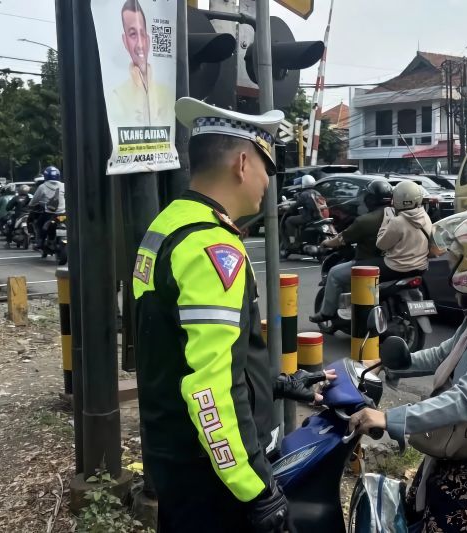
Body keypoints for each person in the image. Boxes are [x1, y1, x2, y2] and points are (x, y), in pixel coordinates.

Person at [132, 96, 333, 532]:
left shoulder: (168, 224)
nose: (268, 181)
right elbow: (209, 387)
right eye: (269, 167)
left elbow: (180, 353)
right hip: (212, 480)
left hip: (177, 460)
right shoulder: (212, 248)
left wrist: (275, 385)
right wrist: (257, 490)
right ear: (243, 163)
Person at [349, 211, 467, 532]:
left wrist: (389, 418)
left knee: (435, 518)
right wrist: (396, 363)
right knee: (414, 505)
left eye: (459, 260)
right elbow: (446, 353)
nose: (451, 266)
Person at [309, 179, 392, 323]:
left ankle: (326, 313)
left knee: (334, 274)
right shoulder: (399, 216)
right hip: (396, 261)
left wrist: (326, 243)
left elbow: (342, 239)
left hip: (369, 262)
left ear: (370, 199)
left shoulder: (366, 220)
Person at [112, 0, 174, 126]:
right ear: (125, 41)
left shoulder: (167, 93)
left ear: (149, 39)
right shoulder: (117, 97)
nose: (140, 45)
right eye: (133, 34)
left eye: (142, 34)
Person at [374, 180, 432, 282]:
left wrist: (386, 220)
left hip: (397, 268)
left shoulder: (397, 222)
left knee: (360, 270)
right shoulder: (425, 216)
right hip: (421, 267)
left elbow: (381, 245)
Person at [280, 174, 328, 254]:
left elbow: (295, 206)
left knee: (289, 220)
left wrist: (287, 208)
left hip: (308, 217)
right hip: (319, 216)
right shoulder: (316, 192)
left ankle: (293, 241)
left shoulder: (304, 194)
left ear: (304, 183)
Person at [29, 166, 65, 251]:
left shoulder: (42, 186)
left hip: (49, 214)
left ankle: (40, 242)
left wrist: (31, 204)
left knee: (39, 224)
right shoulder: (63, 185)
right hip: (63, 213)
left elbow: (34, 200)